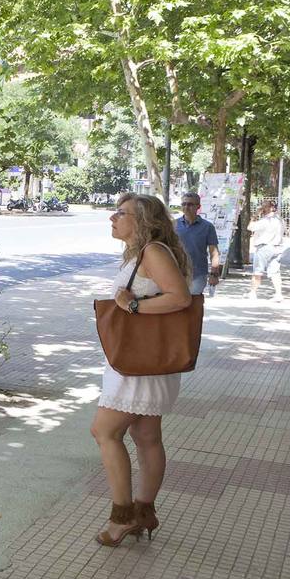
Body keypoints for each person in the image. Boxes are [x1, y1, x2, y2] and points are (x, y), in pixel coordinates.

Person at [91, 193, 193, 547]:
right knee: (147, 437)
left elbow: (180, 298)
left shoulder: (153, 251)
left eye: (121, 213)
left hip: (141, 366)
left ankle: (122, 516)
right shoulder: (142, 253)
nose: (112, 218)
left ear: (143, 220)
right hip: (144, 363)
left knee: (104, 432)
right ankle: (145, 510)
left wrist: (132, 304)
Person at [173, 192, 220, 296]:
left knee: (193, 305)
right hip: (176, 273)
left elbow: (214, 252)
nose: (186, 207)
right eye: (184, 204)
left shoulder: (207, 227)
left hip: (198, 274)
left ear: (198, 206)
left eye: (190, 204)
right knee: (177, 306)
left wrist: (214, 274)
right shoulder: (173, 225)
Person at [247, 199, 285, 301]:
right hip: (277, 247)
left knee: (258, 270)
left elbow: (250, 227)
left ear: (270, 208)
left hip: (264, 247)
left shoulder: (264, 221)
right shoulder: (280, 220)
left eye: (264, 207)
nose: (262, 208)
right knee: (275, 271)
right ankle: (278, 294)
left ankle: (253, 292)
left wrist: (255, 215)